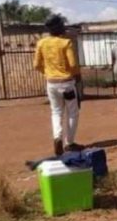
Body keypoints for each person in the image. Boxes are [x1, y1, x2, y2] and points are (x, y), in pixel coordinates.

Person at [34, 14, 82, 156]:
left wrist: (47, 73)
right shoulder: (65, 43)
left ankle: (57, 137)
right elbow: (73, 64)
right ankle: (70, 142)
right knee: (72, 112)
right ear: (60, 27)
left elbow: (36, 65)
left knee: (56, 112)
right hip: (66, 83)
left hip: (51, 83)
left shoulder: (41, 43)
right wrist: (76, 75)